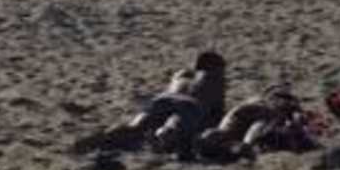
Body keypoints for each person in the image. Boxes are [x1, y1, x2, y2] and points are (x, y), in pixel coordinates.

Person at [76, 51, 227, 156]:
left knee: (135, 127)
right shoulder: (214, 79)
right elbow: (217, 113)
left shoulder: (181, 76)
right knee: (173, 126)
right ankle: (162, 139)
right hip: (190, 104)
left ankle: (101, 138)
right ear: (215, 68)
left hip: (163, 98)